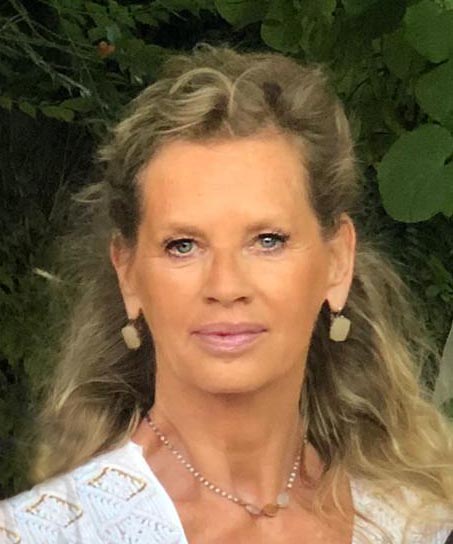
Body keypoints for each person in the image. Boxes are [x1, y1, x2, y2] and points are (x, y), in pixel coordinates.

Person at [0, 43, 452, 544]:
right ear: (127, 273)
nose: (226, 286)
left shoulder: (420, 524)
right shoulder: (42, 534)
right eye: (183, 245)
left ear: (337, 262)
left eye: (267, 240)